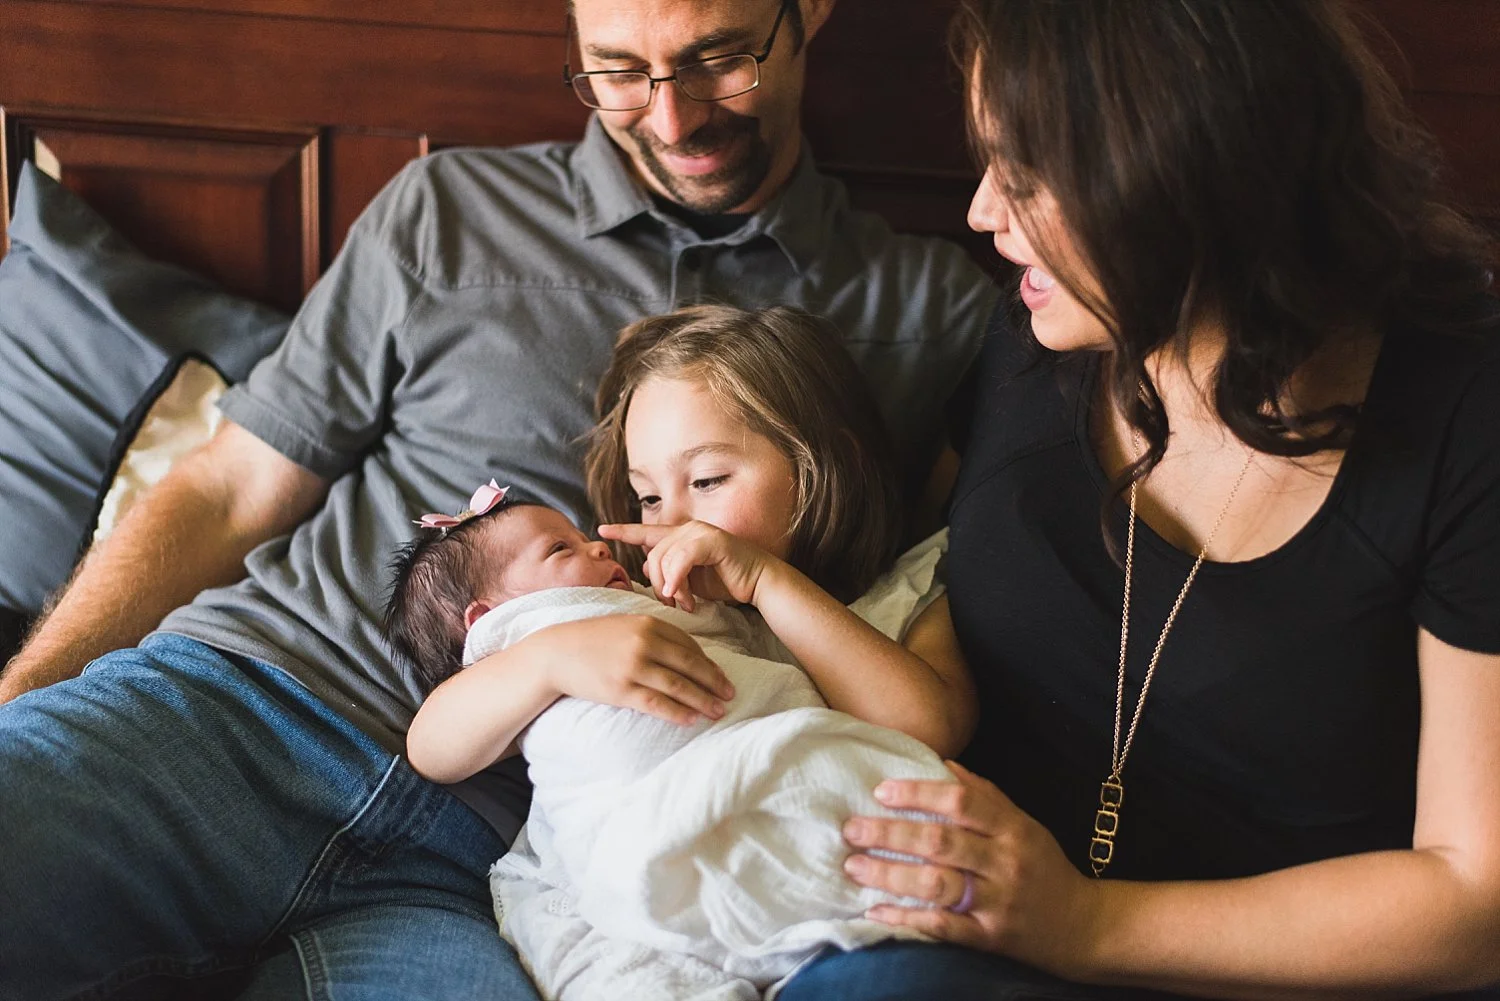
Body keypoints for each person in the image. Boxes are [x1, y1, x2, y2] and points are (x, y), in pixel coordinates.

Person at [0, 1, 995, 997]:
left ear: (809, 11)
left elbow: (951, 595)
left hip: (494, 859)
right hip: (236, 706)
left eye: (719, 57)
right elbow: (229, 487)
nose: (672, 117)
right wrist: (26, 686)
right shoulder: (448, 210)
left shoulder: (927, 308)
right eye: (616, 70)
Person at [777, 1, 1500, 999]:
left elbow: (1475, 904)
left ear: (1170, 174)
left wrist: (1085, 918)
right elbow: (902, 566)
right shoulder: (1041, 334)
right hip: (974, 925)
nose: (984, 211)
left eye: (1023, 178)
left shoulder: (1466, 415)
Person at [391, 305, 972, 999]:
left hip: (808, 878)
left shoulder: (904, 597)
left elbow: (927, 728)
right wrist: (550, 658)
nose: (670, 520)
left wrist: (764, 579)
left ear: (824, 467)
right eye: (647, 496)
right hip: (629, 902)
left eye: (708, 481)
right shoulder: (611, 612)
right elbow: (431, 745)